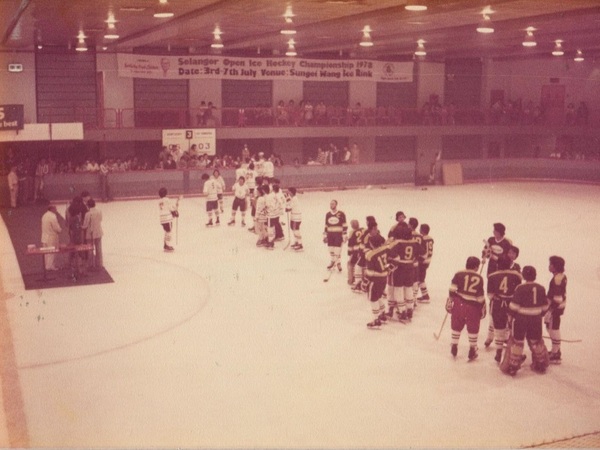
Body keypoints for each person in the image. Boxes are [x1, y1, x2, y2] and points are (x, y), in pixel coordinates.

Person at [506, 266, 550, 375]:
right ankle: (540, 364)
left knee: (518, 342)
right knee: (536, 341)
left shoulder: (520, 288)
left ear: (524, 275)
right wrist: (539, 314)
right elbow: (545, 307)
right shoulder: (541, 288)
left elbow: (514, 306)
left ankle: (513, 365)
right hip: (535, 319)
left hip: (521, 319)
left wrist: (510, 318)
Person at [446, 256, 486, 360]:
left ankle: (454, 344)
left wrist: (451, 300)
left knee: (456, 325)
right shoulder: (479, 278)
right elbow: (480, 297)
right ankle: (472, 349)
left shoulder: (458, 274)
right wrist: (482, 307)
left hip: (459, 304)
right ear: (476, 267)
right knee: (473, 327)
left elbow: (452, 289)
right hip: (473, 307)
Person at [486, 257, 523, 362]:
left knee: (498, 328)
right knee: (512, 328)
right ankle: (513, 351)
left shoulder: (492, 276)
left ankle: (498, 351)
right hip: (512, 304)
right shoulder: (517, 276)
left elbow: (490, 295)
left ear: (498, 265)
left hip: (498, 305)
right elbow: (519, 292)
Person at [387, 225, 420, 321]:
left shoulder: (397, 243)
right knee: (408, 288)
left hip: (399, 269)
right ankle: (410, 309)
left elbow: (388, 251)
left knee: (398, 289)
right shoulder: (415, 242)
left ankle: (402, 311)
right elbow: (422, 253)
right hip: (410, 268)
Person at [363, 221, 390, 328]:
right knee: (379, 296)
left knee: (373, 298)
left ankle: (376, 320)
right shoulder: (385, 250)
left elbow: (369, 272)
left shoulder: (370, 255)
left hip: (375, 280)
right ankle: (383, 314)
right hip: (384, 278)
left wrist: (365, 282)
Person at [545, 256, 567, 364]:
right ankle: (556, 350)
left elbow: (557, 298)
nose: (549, 266)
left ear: (555, 266)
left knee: (553, 328)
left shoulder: (557, 279)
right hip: (557, 307)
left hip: (555, 308)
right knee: (551, 327)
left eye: (550, 264)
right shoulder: (560, 276)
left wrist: (550, 310)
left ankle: (556, 352)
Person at [323, 199, 348, 271]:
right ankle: (332, 261)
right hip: (330, 234)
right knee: (331, 249)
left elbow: (344, 225)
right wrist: (325, 235)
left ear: (336, 205)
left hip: (338, 234)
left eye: (333, 204)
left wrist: (344, 235)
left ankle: (338, 263)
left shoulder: (341, 213)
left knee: (337, 249)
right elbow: (326, 225)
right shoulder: (328, 214)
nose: (331, 205)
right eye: (330, 204)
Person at [82, 199, 104, 269]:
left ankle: (91, 264)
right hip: (98, 232)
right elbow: (100, 219)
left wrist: (81, 226)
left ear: (88, 205)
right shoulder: (99, 211)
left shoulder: (88, 214)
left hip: (90, 233)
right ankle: (99, 264)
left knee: (90, 250)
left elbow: (85, 225)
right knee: (99, 249)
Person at [41, 205, 62, 271]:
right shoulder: (53, 216)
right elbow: (55, 227)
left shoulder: (44, 215)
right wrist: (60, 230)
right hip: (51, 237)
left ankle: (47, 265)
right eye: (55, 208)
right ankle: (50, 266)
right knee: (52, 252)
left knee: (46, 252)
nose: (56, 210)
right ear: (52, 209)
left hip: (44, 236)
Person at [417, 223, 434, 302]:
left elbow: (421, 250)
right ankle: (424, 295)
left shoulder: (422, 238)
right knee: (420, 278)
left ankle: (425, 296)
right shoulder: (430, 238)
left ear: (422, 230)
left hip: (423, 260)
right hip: (428, 260)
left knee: (419, 278)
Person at [158, 187, 179, 252]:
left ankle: (165, 244)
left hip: (162, 218)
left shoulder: (159, 201)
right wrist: (176, 208)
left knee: (166, 231)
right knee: (169, 232)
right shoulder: (167, 199)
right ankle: (167, 245)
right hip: (167, 218)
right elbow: (171, 208)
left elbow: (166, 207)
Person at [347, 219, 364, 285]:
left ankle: (351, 280)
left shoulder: (351, 232)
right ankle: (362, 279)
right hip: (363, 250)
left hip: (356, 251)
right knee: (361, 265)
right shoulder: (363, 229)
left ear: (351, 226)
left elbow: (350, 245)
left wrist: (349, 253)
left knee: (350, 263)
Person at [286, 187, 303, 251]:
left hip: (296, 217)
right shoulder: (292, 198)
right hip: (293, 216)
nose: (288, 192)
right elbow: (288, 203)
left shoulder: (295, 199)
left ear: (291, 192)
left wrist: (287, 208)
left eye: (288, 191)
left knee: (296, 230)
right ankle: (296, 242)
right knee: (293, 229)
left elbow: (290, 207)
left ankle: (300, 244)